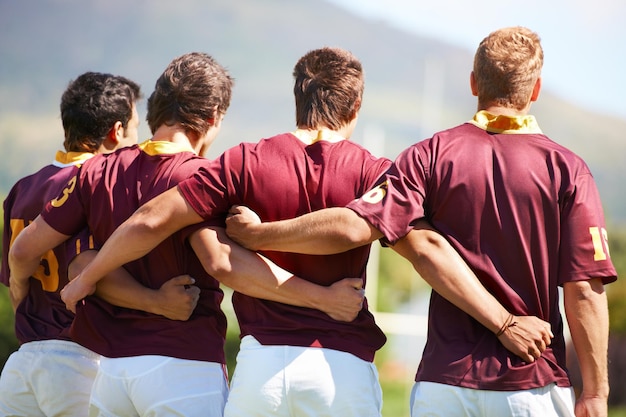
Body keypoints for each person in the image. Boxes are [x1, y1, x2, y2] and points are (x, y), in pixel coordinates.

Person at [56, 47, 552, 417]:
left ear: (297, 99)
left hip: (259, 369)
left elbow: (154, 223)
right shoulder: (374, 170)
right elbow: (424, 249)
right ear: (355, 108)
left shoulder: (244, 160)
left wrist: (85, 278)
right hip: (341, 369)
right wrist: (504, 321)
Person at [226, 27, 618, 417]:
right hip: (531, 383)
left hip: (443, 384)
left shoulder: (428, 156)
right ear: (535, 89)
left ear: (473, 83)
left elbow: (356, 225)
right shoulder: (568, 170)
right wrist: (596, 391)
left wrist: (259, 234)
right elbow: (583, 290)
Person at [8, 52, 366, 417]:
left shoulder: (96, 171)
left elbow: (45, 256)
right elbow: (223, 262)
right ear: (213, 118)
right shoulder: (200, 175)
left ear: (155, 109)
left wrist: (39, 298)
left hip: (112, 374)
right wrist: (321, 298)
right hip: (183, 366)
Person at [0, 72, 194, 416]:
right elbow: (85, 268)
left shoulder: (23, 188)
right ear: (116, 132)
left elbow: (18, 279)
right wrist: (158, 302)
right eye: (135, 130)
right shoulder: (96, 186)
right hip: (78, 361)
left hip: (23, 362)